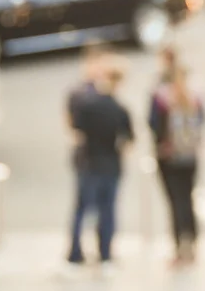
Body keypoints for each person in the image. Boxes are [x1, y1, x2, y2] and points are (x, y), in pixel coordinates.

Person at [67, 54, 134, 275]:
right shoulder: (120, 109)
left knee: (81, 209)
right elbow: (128, 140)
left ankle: (75, 252)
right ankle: (105, 253)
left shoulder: (87, 105)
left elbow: (77, 131)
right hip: (111, 165)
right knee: (108, 210)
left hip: (89, 162)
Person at [149, 68, 205, 267]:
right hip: (190, 156)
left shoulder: (162, 100)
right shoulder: (195, 98)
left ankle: (179, 246)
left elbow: (153, 124)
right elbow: (203, 122)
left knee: (175, 202)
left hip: (169, 157)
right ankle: (192, 242)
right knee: (188, 198)